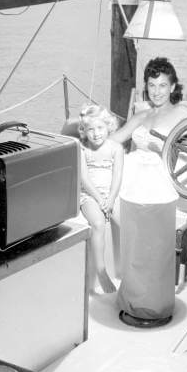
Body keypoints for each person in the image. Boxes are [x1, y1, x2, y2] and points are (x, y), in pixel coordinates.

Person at [78, 104, 124, 293]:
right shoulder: (82, 149)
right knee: (97, 223)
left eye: (100, 128)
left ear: (108, 127)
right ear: (84, 131)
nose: (96, 134)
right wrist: (99, 200)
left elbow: (117, 177)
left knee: (123, 222)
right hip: (89, 196)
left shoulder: (116, 148)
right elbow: (84, 179)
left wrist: (111, 200)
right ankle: (101, 272)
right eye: (91, 129)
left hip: (111, 195)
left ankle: (124, 268)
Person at [110, 56, 187, 156]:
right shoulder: (140, 116)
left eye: (162, 86)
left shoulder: (183, 112)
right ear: (147, 87)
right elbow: (113, 140)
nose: (156, 92)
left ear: (172, 87)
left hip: (165, 168)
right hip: (134, 165)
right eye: (152, 85)